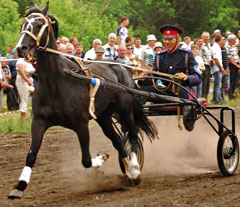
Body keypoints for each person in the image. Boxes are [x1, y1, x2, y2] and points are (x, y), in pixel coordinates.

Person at [139, 25, 202, 131]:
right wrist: (143, 79)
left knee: (185, 99)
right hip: (165, 91)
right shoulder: (159, 56)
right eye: (165, 39)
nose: (167, 42)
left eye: (170, 39)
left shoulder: (186, 55)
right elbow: (153, 79)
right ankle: (134, 119)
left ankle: (189, 117)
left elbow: (198, 78)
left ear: (178, 40)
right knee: (140, 92)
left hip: (184, 92)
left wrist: (186, 77)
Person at [211, 35, 225, 104]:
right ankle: (217, 99)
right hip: (217, 68)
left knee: (218, 84)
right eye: (222, 40)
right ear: (219, 40)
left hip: (217, 68)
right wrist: (221, 67)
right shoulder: (215, 47)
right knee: (217, 84)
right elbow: (216, 58)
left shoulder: (217, 47)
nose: (223, 41)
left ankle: (217, 98)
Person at [226, 34, 240, 100]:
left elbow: (236, 56)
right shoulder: (227, 47)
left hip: (236, 64)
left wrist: (238, 63)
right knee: (231, 80)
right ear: (231, 40)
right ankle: (230, 95)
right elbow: (230, 58)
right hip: (232, 65)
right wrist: (236, 65)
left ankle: (233, 93)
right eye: (234, 40)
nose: (235, 41)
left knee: (235, 80)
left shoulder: (233, 47)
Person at [200, 31, 213, 100]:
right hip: (204, 66)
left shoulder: (209, 45)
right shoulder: (201, 46)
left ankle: (206, 99)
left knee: (207, 83)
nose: (206, 38)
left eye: (207, 37)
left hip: (209, 66)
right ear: (202, 37)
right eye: (205, 37)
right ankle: (203, 99)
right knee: (204, 84)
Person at [220, 37, 229, 101]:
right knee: (220, 84)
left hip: (225, 68)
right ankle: (219, 97)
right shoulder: (219, 48)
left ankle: (223, 96)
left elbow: (227, 59)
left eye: (224, 40)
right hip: (221, 69)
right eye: (223, 40)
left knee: (224, 84)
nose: (224, 41)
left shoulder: (225, 48)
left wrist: (227, 67)